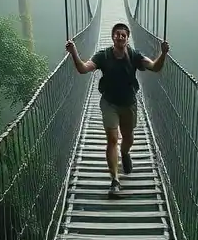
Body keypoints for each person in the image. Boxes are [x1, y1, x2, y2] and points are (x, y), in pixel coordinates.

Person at [66, 22, 169, 194]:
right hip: (109, 103)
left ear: (127, 39)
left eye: (123, 35)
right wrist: (74, 52)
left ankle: (125, 152)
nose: (120, 36)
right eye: (117, 34)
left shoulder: (135, 55)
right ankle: (115, 180)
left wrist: (163, 53)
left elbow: (155, 67)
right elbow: (84, 69)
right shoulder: (103, 56)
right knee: (112, 139)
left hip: (129, 104)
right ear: (113, 37)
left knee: (128, 139)